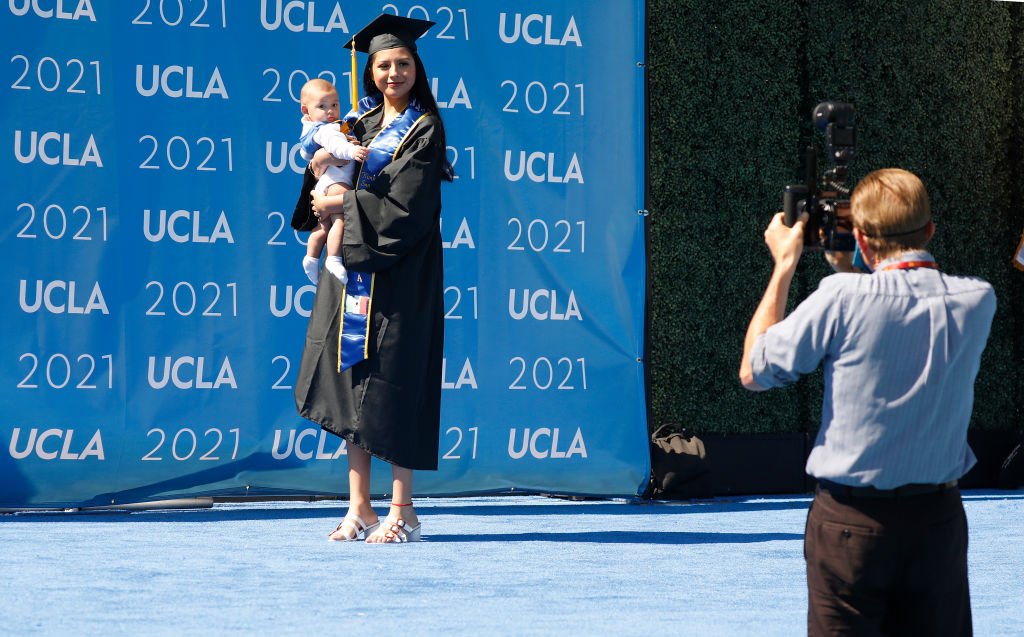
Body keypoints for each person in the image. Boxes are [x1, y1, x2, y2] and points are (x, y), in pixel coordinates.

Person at [739, 168, 996, 635]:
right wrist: (851, 270)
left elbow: (755, 371)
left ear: (860, 236)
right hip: (936, 524)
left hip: (848, 527)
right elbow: (895, 307)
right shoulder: (978, 300)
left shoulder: (841, 296)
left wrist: (785, 264)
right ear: (930, 230)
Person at [293, 13, 453, 544]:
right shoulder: (357, 127)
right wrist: (320, 190)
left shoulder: (425, 129)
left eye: (402, 63)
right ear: (371, 71)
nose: (392, 72)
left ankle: (402, 509)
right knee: (350, 382)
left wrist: (343, 203)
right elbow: (323, 182)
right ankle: (359, 506)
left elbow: (407, 208)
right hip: (351, 274)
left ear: (416, 68)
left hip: (401, 273)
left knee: (396, 384)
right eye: (383, 64)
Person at [297, 78, 369, 284]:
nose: (330, 111)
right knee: (341, 220)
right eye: (322, 106)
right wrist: (353, 150)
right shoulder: (326, 130)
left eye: (335, 105)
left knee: (324, 226)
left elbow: (306, 153)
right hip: (337, 182)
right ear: (306, 110)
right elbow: (337, 147)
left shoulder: (322, 127)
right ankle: (334, 258)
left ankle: (311, 258)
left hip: (326, 183)